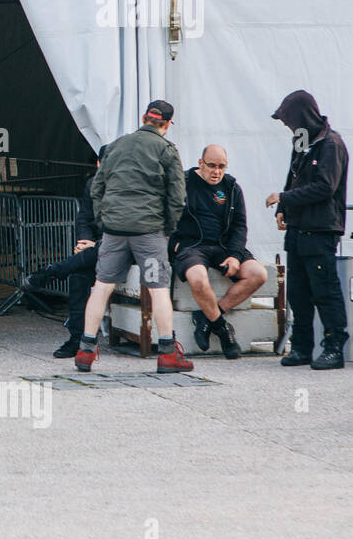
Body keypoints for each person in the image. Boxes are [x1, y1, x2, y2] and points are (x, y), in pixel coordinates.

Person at [74, 100, 191, 373]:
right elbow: (178, 197)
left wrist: (104, 221)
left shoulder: (116, 146)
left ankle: (85, 351)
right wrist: (166, 229)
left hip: (114, 232)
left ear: (144, 118)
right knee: (158, 288)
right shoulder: (167, 150)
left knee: (101, 286)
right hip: (148, 232)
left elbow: (97, 187)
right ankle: (166, 354)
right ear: (168, 124)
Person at [265, 90, 348, 370]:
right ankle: (301, 347)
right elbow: (293, 180)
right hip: (298, 229)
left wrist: (284, 198)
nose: (288, 126)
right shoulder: (302, 144)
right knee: (298, 292)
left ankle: (334, 346)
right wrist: (282, 209)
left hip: (321, 228)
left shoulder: (331, 144)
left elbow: (326, 187)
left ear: (302, 117)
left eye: (289, 120)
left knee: (325, 291)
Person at [170, 145, 268, 359]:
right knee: (197, 278)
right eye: (211, 166)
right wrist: (174, 245)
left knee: (259, 274)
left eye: (221, 167)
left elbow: (240, 226)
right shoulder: (182, 183)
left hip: (223, 246)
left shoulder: (232, 187)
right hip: (192, 244)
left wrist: (234, 255)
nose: (216, 172)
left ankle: (206, 318)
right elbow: (164, 218)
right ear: (200, 163)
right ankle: (223, 330)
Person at [23, 145, 105, 358]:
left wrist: (94, 245)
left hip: (118, 248)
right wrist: (85, 240)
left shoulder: (129, 188)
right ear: (98, 164)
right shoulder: (92, 184)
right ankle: (77, 338)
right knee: (78, 277)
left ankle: (50, 272)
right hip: (97, 250)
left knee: (89, 258)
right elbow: (84, 217)